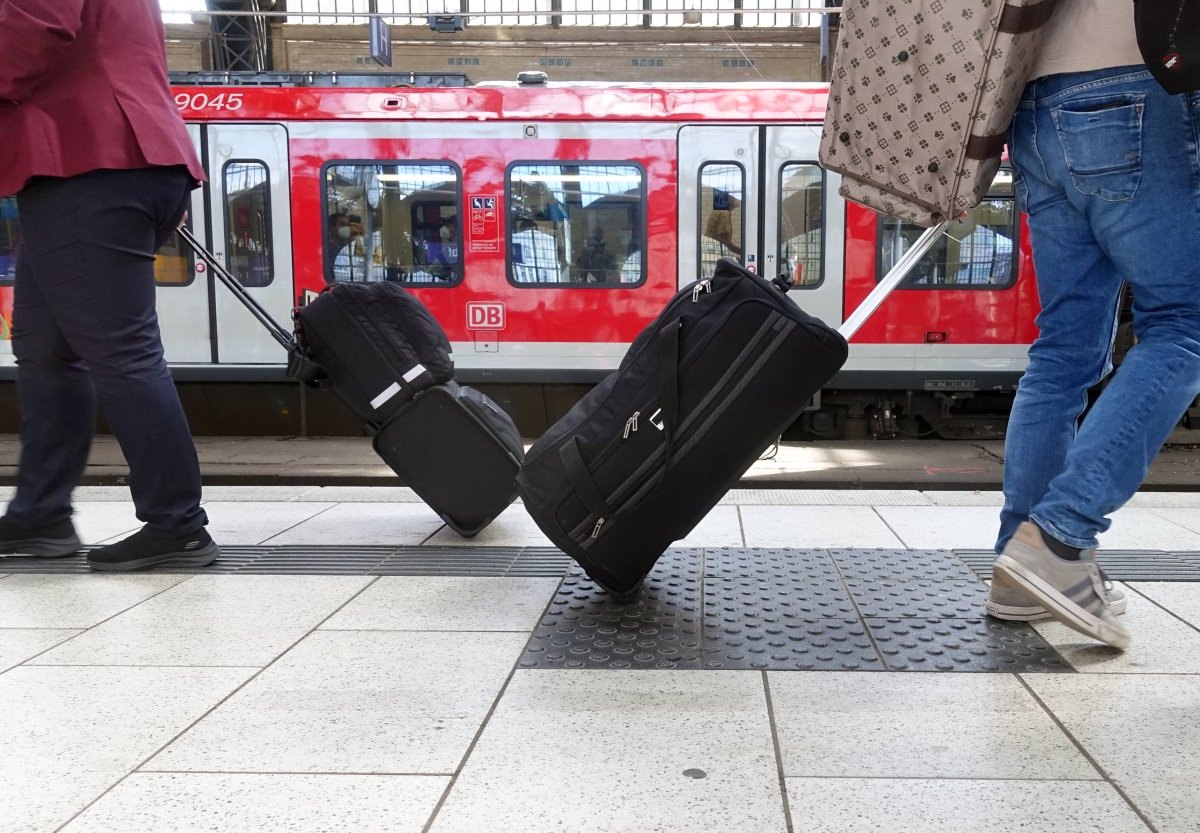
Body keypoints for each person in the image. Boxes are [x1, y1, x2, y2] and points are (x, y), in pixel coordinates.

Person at [986, 0, 1200, 650]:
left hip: (1031, 105)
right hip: (1134, 83)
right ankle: (1059, 534)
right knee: (1184, 324)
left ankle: (1016, 566)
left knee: (1063, 350)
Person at [0, 0, 220, 571]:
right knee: (45, 349)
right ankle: (40, 514)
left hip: (90, 159)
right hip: (104, 158)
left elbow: (30, 29)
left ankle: (177, 524)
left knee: (120, 350)